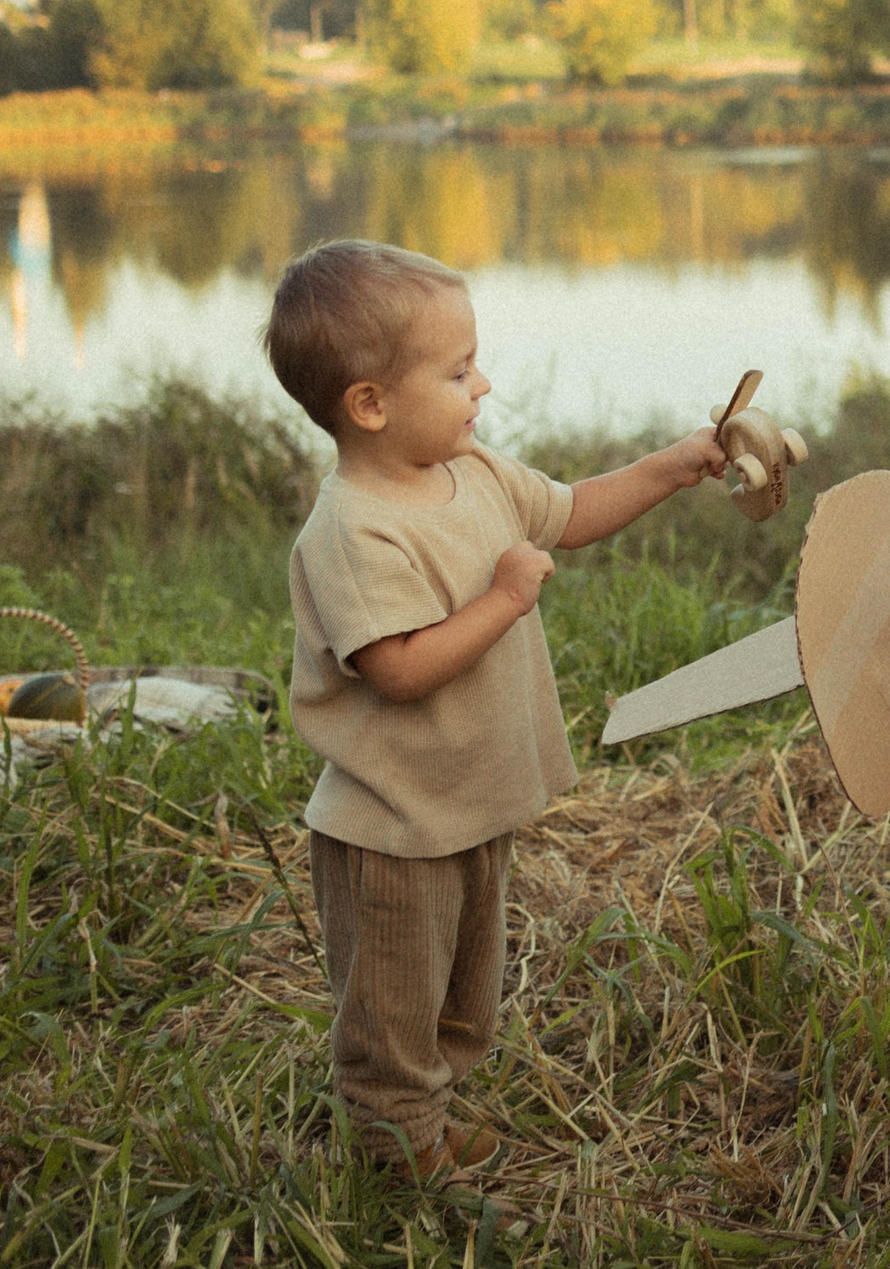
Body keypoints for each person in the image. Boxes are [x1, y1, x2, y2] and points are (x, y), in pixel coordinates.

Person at [263, 240, 726, 1184]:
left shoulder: (470, 468)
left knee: (463, 989)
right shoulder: (354, 528)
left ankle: (427, 1117)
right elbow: (398, 668)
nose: (484, 385)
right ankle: (395, 1145)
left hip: (469, 801)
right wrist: (505, 598)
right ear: (370, 404)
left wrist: (673, 466)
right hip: (393, 827)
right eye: (458, 370)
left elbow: (572, 511)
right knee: (394, 1003)